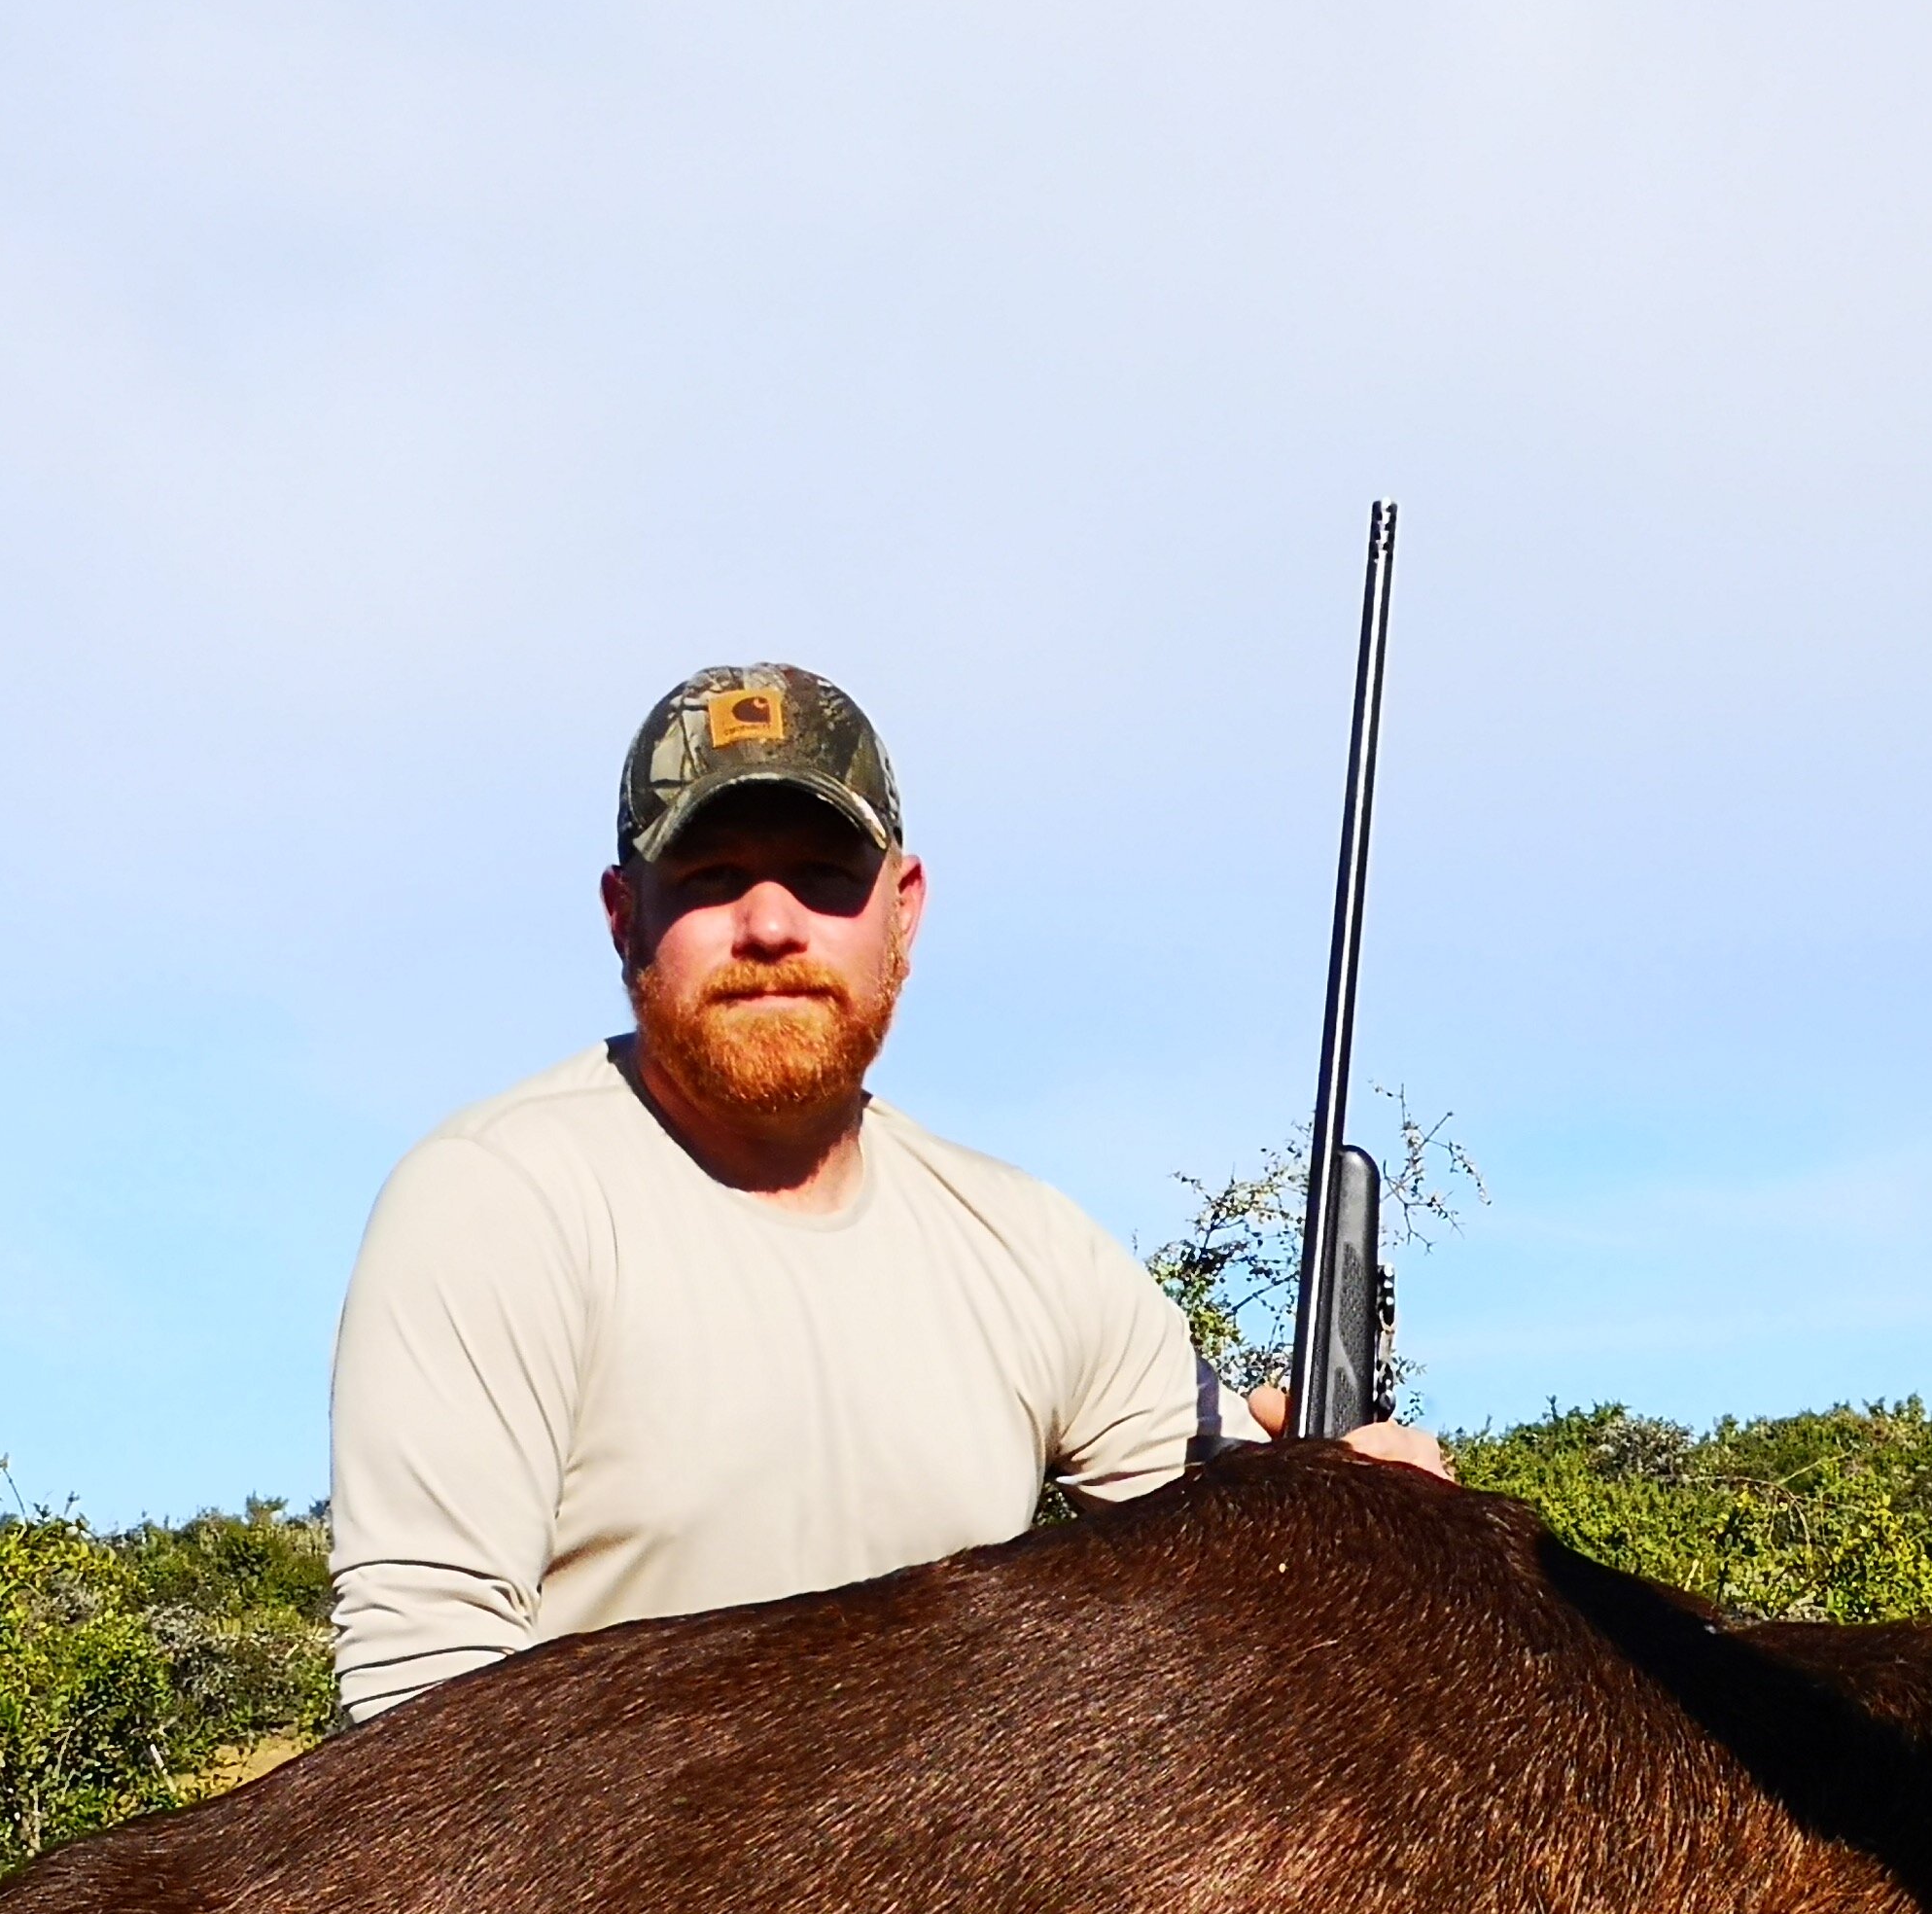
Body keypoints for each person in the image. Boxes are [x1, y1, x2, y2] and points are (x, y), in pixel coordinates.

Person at [327, 662, 1444, 1721]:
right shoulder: (496, 1202)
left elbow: (1261, 1569)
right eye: (711, 881)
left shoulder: (1028, 1249)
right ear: (625, 917)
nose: (769, 926)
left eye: (821, 878)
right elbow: (419, 1703)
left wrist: (1348, 1503)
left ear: (902, 910)